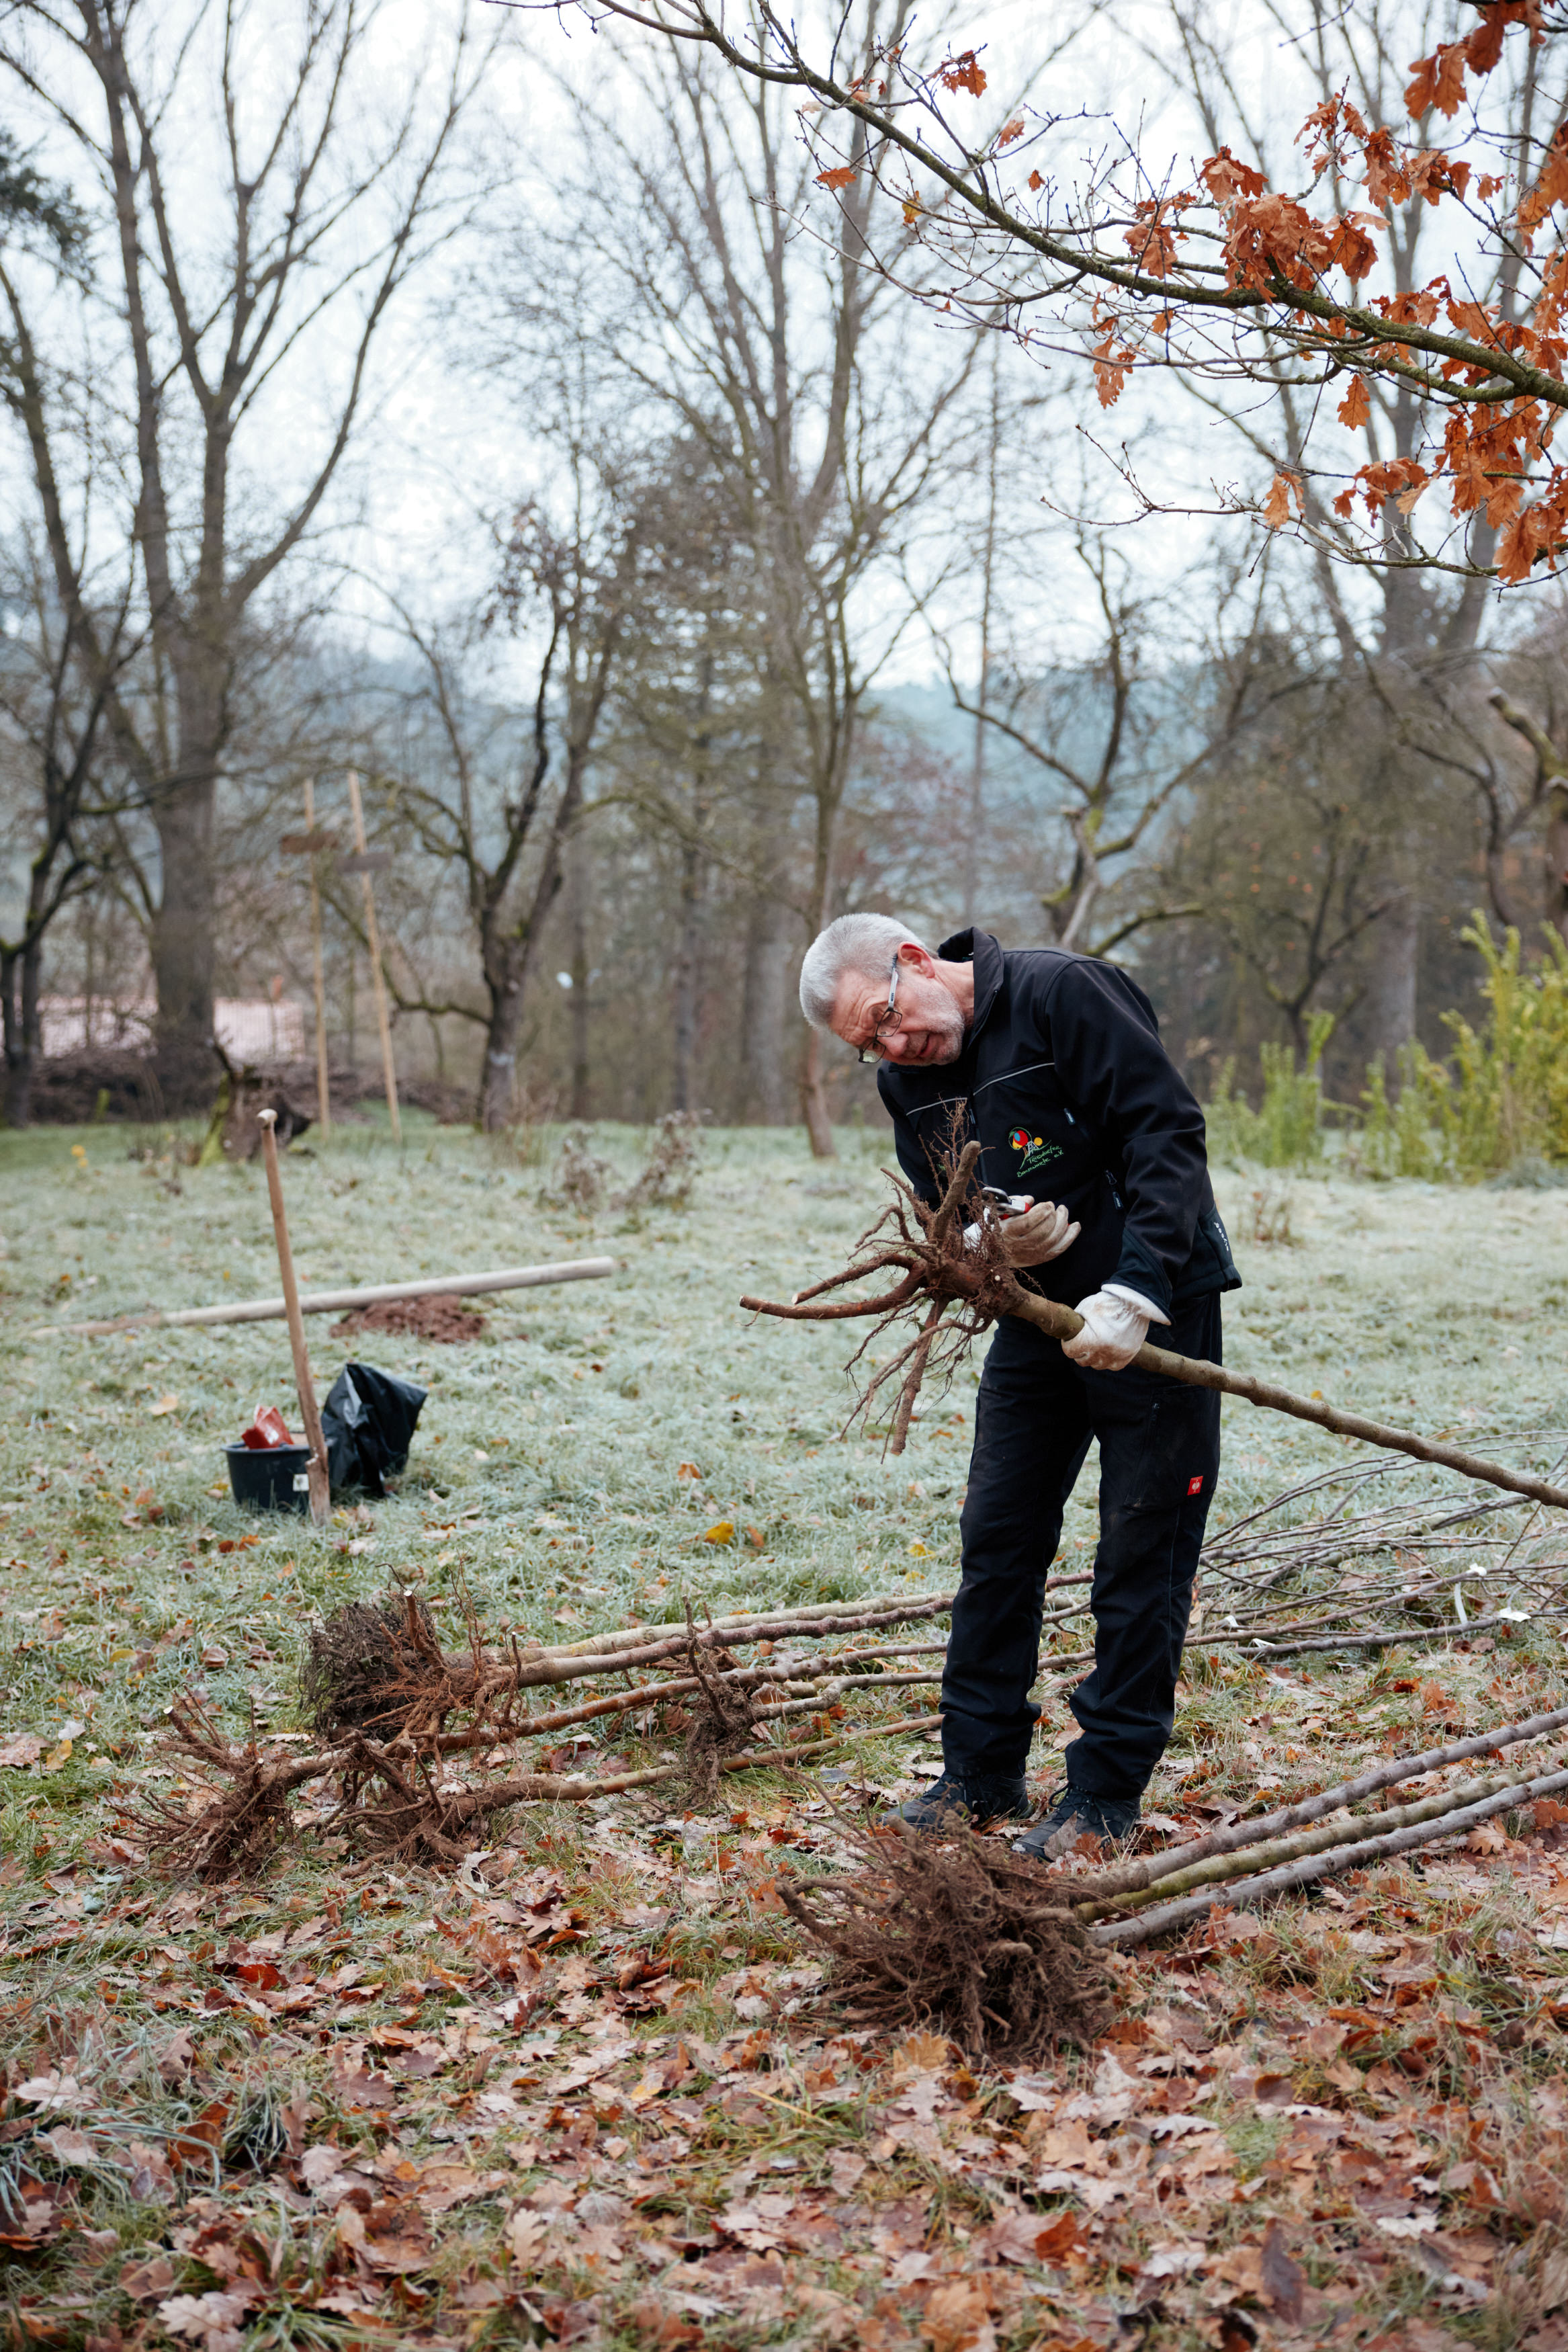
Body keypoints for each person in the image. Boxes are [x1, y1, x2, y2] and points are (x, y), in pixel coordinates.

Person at [797, 913, 1240, 1857]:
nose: (891, 1045)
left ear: (914, 961)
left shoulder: (1060, 993)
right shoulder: (903, 1082)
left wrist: (1138, 1288)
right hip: (1036, 1324)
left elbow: (1167, 1135)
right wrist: (976, 1246)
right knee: (996, 1537)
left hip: (1149, 1315)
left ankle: (1103, 1800)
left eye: (885, 1017)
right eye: (866, 1043)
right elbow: (940, 1209)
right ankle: (978, 1772)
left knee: (1139, 1547)